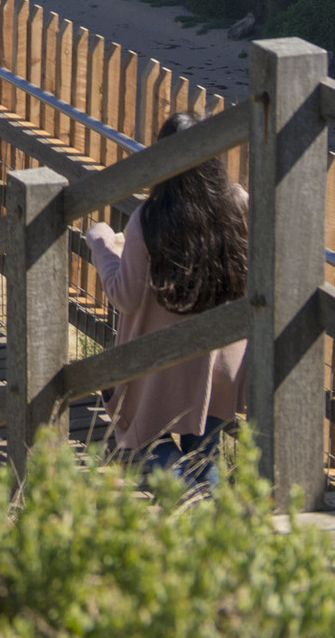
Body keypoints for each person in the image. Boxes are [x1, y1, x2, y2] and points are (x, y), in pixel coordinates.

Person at [84, 112, 249, 483]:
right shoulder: (238, 203)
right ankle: (214, 520)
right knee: (205, 452)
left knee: (143, 445)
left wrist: (103, 246)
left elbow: (125, 297)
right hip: (223, 361)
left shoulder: (149, 219)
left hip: (165, 366)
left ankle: (193, 504)